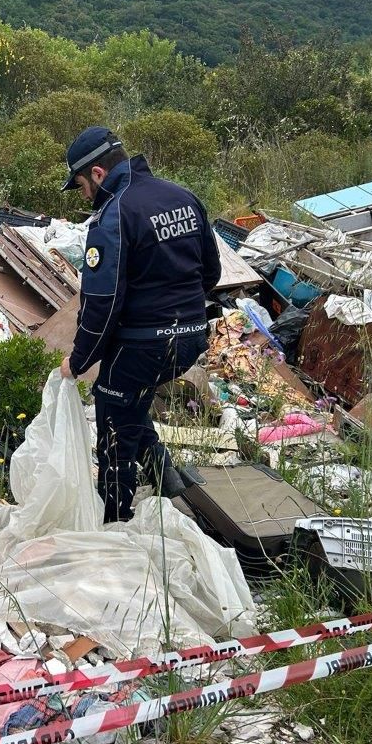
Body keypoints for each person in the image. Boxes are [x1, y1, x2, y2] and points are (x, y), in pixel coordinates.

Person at [58, 126, 221, 523]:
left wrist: (78, 360)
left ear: (97, 174)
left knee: (114, 427)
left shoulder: (112, 215)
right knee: (132, 403)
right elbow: (212, 272)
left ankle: (115, 525)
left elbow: (102, 303)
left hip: (143, 345)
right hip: (190, 341)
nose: (83, 195)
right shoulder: (182, 196)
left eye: (80, 185)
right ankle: (171, 484)